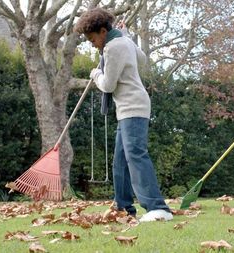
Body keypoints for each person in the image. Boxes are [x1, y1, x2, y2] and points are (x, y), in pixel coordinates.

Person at [74, 8, 173, 222]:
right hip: (128, 108)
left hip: (133, 108)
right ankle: (123, 207)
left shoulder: (113, 47)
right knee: (120, 161)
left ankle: (158, 208)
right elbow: (143, 59)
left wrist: (96, 73)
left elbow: (108, 85)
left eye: (92, 39)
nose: (92, 44)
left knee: (136, 155)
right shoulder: (123, 41)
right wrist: (127, 36)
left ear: (102, 31)